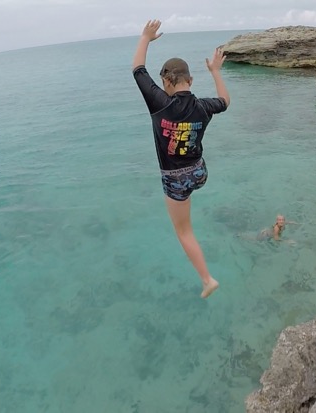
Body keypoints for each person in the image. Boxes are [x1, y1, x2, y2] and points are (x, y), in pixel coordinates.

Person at [132, 20, 230, 299]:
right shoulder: (203, 106)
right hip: (199, 173)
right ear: (191, 80)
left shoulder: (159, 102)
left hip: (175, 180)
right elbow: (225, 101)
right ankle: (206, 277)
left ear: (165, 82)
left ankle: (207, 279)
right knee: (188, 203)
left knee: (184, 231)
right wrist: (216, 71)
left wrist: (145, 38)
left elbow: (138, 70)